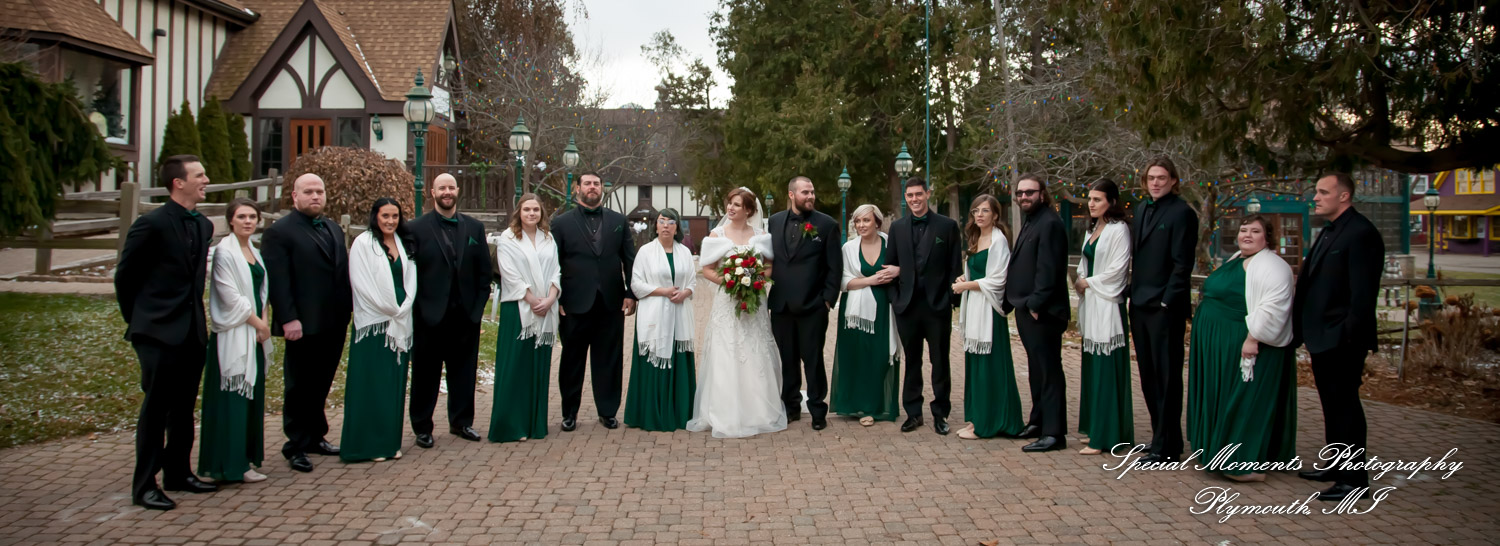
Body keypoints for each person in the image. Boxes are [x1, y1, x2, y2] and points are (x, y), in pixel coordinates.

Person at [115, 155, 218, 510]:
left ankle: (178, 472)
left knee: (185, 407)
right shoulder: (151, 224)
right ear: (179, 182)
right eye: (200, 175)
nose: (206, 180)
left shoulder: (203, 225)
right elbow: (125, 278)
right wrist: (143, 320)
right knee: (155, 410)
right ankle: (144, 484)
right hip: (156, 332)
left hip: (192, 331)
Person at [1294, 172, 1385, 502]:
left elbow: (1362, 296)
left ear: (1344, 196)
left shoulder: (1361, 233)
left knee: (1345, 406)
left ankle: (1355, 480)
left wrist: (1346, 338)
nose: (1315, 197)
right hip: (1322, 337)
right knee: (1331, 405)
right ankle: (1336, 465)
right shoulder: (1331, 230)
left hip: (1342, 340)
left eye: (1322, 192)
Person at [1189, 215, 1297, 483]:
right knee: (1222, 395)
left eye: (1255, 231)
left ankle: (1242, 461)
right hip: (1218, 342)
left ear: (1267, 237)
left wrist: (1253, 338)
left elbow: (1273, 306)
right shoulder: (1237, 258)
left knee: (1243, 398)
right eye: (1243, 230)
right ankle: (1217, 450)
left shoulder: (1274, 266)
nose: (1246, 235)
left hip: (1244, 341)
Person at [262, 173, 352, 473]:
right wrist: (288, 318)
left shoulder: (332, 228)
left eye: (320, 191)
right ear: (295, 196)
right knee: (299, 384)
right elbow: (279, 280)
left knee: (322, 381)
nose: (316, 196)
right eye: (309, 192)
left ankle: (316, 435)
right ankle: (296, 444)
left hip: (334, 319)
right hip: (302, 322)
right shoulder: (280, 232)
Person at [688, 187, 788, 438]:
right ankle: (724, 411)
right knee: (727, 350)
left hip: (753, 302)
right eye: (730, 204)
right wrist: (730, 281)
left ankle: (758, 411)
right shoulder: (717, 235)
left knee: (754, 350)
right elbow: (707, 269)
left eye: (737, 205)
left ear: (749, 211)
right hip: (727, 301)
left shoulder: (760, 236)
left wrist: (753, 279)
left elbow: (768, 267)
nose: (731, 208)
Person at [407, 174, 493, 447]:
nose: (447, 192)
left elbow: (484, 272)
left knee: (464, 373)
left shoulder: (474, 228)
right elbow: (410, 274)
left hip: (465, 315)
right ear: (432, 193)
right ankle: (422, 427)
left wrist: (477, 310)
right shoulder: (415, 228)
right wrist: (418, 310)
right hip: (429, 316)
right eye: (441, 188)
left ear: (458, 191)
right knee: (425, 374)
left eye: (451, 187)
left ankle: (461, 422)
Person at [553, 172, 637, 431]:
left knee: (609, 359)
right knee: (571, 360)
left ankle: (608, 411)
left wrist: (631, 293)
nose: (592, 187)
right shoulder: (560, 223)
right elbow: (552, 264)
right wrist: (557, 298)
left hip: (610, 302)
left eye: (596, 184)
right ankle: (569, 413)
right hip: (573, 302)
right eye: (587, 183)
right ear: (577, 188)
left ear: (603, 189)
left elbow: (629, 259)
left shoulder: (618, 220)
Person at [1129, 156, 1199, 464]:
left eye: (1162, 177)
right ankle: (1162, 437)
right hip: (1140, 304)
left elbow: (1182, 263)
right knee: (1148, 375)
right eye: (1151, 178)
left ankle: (1167, 446)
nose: (1156, 182)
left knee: (1167, 376)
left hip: (1164, 307)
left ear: (1173, 180)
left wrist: (1168, 301)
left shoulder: (1182, 212)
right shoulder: (1142, 209)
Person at [199, 198, 273, 484]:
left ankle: (245, 459)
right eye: (242, 216)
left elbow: (261, 290)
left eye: (252, 216)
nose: (248, 221)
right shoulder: (224, 254)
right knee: (233, 397)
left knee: (250, 396)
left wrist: (263, 320)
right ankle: (227, 464)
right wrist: (259, 323)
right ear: (231, 220)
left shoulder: (254, 251)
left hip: (254, 331)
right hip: (233, 334)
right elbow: (230, 297)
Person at [340, 198, 417, 463]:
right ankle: (362, 445)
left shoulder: (402, 242)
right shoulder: (364, 243)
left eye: (395, 216)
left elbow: (410, 279)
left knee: (392, 385)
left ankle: (388, 442)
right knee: (369, 384)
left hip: (400, 322)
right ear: (375, 216)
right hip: (374, 323)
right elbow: (360, 283)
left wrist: (403, 307)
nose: (390, 221)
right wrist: (388, 308)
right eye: (385, 216)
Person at [886, 178, 963, 435]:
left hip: (937, 306)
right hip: (907, 306)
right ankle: (913, 413)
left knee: (940, 361)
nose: (914, 199)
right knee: (912, 362)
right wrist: (896, 300)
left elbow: (955, 267)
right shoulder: (897, 228)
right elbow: (890, 267)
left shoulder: (947, 227)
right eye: (910, 195)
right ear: (905, 198)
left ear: (928, 194)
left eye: (919, 194)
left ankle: (940, 414)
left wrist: (951, 301)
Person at [767, 176, 842, 430]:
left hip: (813, 306)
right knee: (787, 359)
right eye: (805, 193)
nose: (810, 196)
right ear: (791, 195)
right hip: (781, 306)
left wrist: (828, 301)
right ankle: (791, 406)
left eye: (812, 192)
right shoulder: (774, 222)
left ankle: (818, 409)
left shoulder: (827, 224)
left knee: (812, 359)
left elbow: (835, 268)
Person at [1003, 174, 1070, 453]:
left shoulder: (1051, 223)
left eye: (1030, 192)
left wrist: (1035, 305)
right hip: (1026, 307)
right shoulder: (1033, 221)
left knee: (1049, 371)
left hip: (1042, 311)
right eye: (1020, 193)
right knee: (1035, 369)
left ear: (1042, 194)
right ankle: (1038, 421)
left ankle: (1054, 433)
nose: (1024, 197)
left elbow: (1050, 270)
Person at [951, 194, 1025, 440]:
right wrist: (964, 278)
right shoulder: (975, 238)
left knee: (990, 365)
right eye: (975, 211)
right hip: (974, 307)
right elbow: (975, 271)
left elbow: (997, 280)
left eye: (985, 211)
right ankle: (976, 419)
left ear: (995, 215)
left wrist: (966, 286)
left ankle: (992, 422)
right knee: (975, 364)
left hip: (989, 313)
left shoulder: (998, 240)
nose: (979, 215)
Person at [488, 194, 561, 443]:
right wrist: (531, 300)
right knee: (515, 367)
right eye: (527, 209)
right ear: (519, 212)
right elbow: (510, 274)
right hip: (519, 310)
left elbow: (556, 271)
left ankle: (534, 424)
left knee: (537, 367)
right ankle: (510, 426)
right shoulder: (508, 239)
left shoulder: (548, 238)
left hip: (546, 310)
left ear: (542, 213)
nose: (531, 214)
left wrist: (551, 298)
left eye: (536, 210)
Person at [1073, 179, 1134, 455]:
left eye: (1097, 199)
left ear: (1111, 201)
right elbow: (1085, 264)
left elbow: (1117, 271)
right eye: (1090, 199)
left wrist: (1088, 283)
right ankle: (1094, 427)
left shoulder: (1118, 230)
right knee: (1092, 368)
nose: (1091, 203)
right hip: (1092, 305)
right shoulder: (1092, 229)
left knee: (1106, 369)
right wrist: (1081, 279)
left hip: (1108, 306)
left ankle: (1106, 435)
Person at [624, 208, 698, 431]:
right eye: (662, 221)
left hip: (679, 315)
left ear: (677, 227)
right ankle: (652, 415)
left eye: (671, 221)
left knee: (678, 359)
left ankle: (680, 413)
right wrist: (663, 291)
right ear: (655, 226)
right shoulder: (645, 252)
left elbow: (692, 281)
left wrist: (685, 293)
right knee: (655, 359)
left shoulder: (684, 252)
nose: (666, 225)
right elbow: (636, 284)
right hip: (654, 314)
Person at [831, 204, 901, 426]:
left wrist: (897, 271)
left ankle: (875, 406)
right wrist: (870, 281)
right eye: (858, 221)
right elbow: (842, 282)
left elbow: (904, 269)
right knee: (855, 356)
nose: (861, 225)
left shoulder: (891, 244)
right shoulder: (849, 249)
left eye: (866, 221)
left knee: (879, 356)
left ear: (877, 222)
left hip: (883, 307)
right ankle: (854, 405)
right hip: (854, 311)